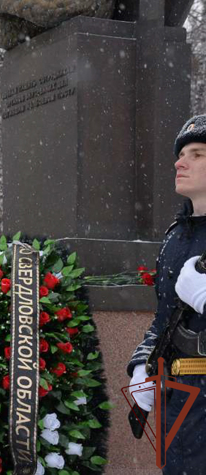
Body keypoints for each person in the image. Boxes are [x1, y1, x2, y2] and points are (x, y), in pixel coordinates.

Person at [128, 114, 206, 474]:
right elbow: (163, 319)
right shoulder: (176, 237)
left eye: (197, 154)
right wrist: (141, 366)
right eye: (181, 154)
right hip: (178, 392)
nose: (180, 162)